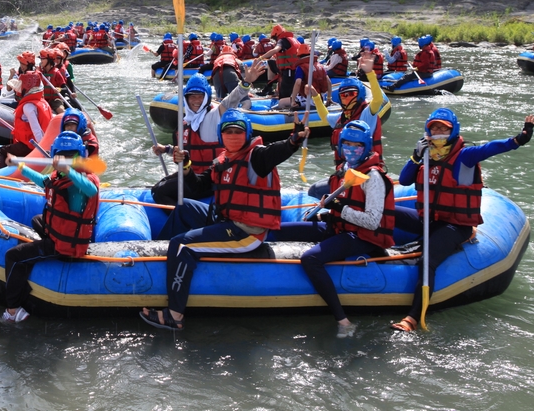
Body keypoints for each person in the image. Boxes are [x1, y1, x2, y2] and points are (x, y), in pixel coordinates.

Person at [139, 109, 308, 331]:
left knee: (182, 244)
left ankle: (175, 315)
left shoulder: (256, 156)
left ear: (247, 133)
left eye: (238, 131)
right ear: (221, 135)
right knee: (183, 207)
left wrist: (294, 139)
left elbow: (278, 151)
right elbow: (199, 186)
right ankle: (160, 254)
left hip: (246, 232)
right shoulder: (223, 159)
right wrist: (187, 166)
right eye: (228, 131)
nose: (233, 135)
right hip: (225, 220)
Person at [391, 109, 534, 331]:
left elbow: (492, 148)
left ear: (452, 131)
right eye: (434, 128)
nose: (438, 132)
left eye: (443, 128)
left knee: (426, 261)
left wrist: (520, 138)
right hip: (430, 220)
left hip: (456, 225)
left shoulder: (464, 157)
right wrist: (415, 157)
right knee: (389, 211)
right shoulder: (427, 155)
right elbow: (404, 179)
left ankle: (412, 318)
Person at [284, 121, 396, 338]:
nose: (351, 150)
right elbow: (343, 207)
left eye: (357, 145)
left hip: (363, 236)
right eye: (347, 144)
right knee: (282, 230)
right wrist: (327, 213)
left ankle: (343, 321)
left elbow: (373, 221)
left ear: (366, 147)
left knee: (311, 259)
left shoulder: (373, 178)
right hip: (342, 228)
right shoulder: (344, 170)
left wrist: (341, 209)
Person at [1, 131, 101, 323]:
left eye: (71, 156)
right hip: (59, 233)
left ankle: (14, 311)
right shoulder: (61, 175)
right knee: (37, 220)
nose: (66, 159)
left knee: (13, 257)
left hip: (64, 246)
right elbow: (43, 182)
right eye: (63, 155)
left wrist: (69, 169)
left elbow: (92, 189)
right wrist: (19, 165)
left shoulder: (79, 181)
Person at [149, 61, 266, 205]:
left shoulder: (213, 116)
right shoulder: (186, 123)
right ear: (186, 98)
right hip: (192, 176)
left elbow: (231, 101)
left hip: (209, 179)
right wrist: (166, 149)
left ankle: (186, 219)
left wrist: (246, 82)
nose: (196, 100)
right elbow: (188, 152)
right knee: (159, 186)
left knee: (159, 192)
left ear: (207, 97)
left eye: (200, 96)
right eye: (192, 96)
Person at [309, 54, 385, 198]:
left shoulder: (367, 114)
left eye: (351, 94)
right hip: (347, 174)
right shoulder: (341, 119)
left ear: (359, 95)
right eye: (343, 95)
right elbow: (325, 116)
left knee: (315, 191)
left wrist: (370, 73)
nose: (346, 98)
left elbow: (378, 99)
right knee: (314, 190)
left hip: (366, 174)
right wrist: (316, 97)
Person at [0, 72, 52, 169]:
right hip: (41, 143)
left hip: (31, 146)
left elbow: (36, 129)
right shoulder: (42, 102)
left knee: (0, 152)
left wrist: (42, 150)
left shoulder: (28, 106)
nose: (17, 91)